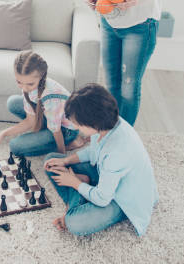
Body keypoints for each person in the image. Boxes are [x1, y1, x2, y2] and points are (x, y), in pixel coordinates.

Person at [43, 83, 158, 237]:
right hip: (105, 175)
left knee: (74, 223)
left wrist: (74, 183)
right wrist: (66, 161)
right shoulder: (106, 124)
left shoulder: (117, 151)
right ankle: (81, 187)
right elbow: (93, 151)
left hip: (121, 199)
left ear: (93, 122)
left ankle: (78, 194)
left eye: (78, 124)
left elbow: (103, 199)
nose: (75, 127)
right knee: (51, 161)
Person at [0, 50, 86, 156]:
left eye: (30, 84)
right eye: (19, 82)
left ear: (41, 77)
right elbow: (30, 121)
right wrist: (2, 134)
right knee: (13, 102)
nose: (24, 88)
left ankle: (72, 140)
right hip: (50, 118)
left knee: (16, 146)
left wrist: (62, 155)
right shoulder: (28, 87)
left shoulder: (51, 99)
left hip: (65, 130)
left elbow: (56, 131)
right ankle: (45, 133)